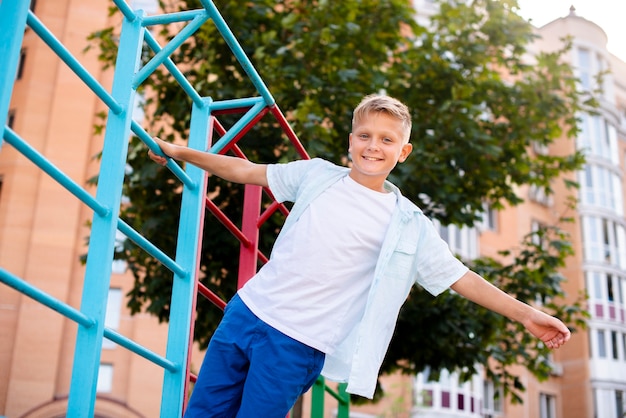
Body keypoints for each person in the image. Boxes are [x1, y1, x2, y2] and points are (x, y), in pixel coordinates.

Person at [148, 94, 571, 417]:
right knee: (201, 411)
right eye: (365, 136)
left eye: (387, 140)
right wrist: (181, 152)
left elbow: (460, 277)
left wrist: (525, 314)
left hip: (298, 342)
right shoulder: (317, 175)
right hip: (248, 312)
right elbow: (247, 171)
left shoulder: (409, 223)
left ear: (402, 152)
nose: (373, 146)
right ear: (351, 141)